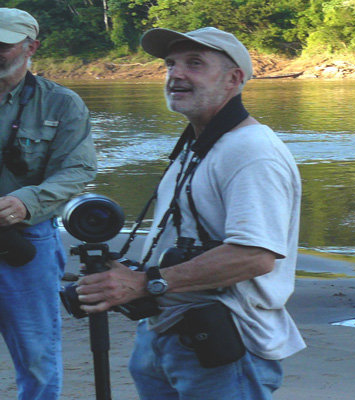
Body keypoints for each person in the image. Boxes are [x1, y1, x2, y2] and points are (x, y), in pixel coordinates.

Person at [74, 27, 305, 398]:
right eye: (170, 64)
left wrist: (143, 283)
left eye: (194, 64)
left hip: (223, 341)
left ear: (234, 79)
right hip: (167, 332)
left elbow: (256, 256)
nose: (176, 74)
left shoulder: (252, 151)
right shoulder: (198, 143)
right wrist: (132, 276)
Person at [0, 8, 95, 399]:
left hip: (27, 241)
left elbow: (78, 169)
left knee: (37, 359)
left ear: (30, 47)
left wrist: (27, 201)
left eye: (2, 45)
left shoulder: (63, 104)